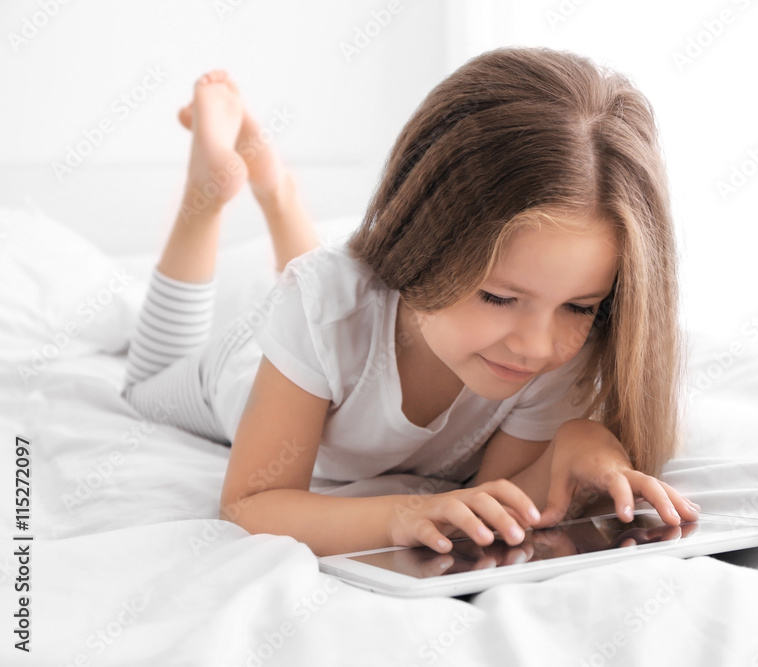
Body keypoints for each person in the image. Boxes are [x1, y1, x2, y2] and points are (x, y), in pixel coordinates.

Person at [120, 47, 700, 558]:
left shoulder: (554, 348)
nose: (537, 345)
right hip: (248, 371)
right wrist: (398, 516)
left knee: (333, 305)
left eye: (581, 307)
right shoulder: (323, 308)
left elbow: (492, 504)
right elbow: (250, 504)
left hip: (337, 316)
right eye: (499, 297)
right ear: (422, 247)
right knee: (145, 386)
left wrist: (576, 447)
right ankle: (212, 196)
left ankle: (277, 189)